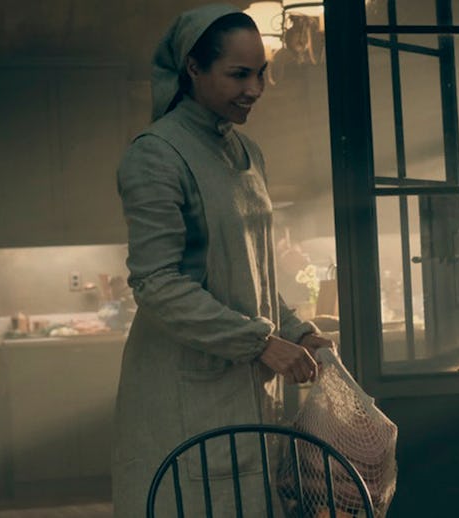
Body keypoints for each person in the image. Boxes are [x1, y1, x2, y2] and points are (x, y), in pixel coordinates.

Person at [111, 4, 334, 516]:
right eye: (239, 74)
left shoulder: (249, 152)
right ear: (193, 68)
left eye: (261, 73)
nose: (255, 89)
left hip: (245, 383)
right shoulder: (155, 155)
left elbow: (252, 269)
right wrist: (259, 342)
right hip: (184, 387)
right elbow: (157, 283)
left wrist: (296, 330)